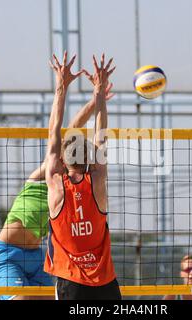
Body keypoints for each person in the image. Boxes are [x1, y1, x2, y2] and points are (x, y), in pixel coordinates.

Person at [0, 52, 114, 300]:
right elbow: (70, 132)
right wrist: (94, 102)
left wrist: (92, 98)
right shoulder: (47, 174)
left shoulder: (70, 184)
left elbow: (70, 138)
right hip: (8, 253)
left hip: (38, 257)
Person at [44, 52, 121, 300]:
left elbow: (53, 133)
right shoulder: (97, 180)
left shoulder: (55, 183)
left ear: (62, 162)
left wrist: (61, 88)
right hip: (105, 285)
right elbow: (101, 133)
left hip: (71, 284)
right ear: (89, 159)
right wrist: (99, 94)